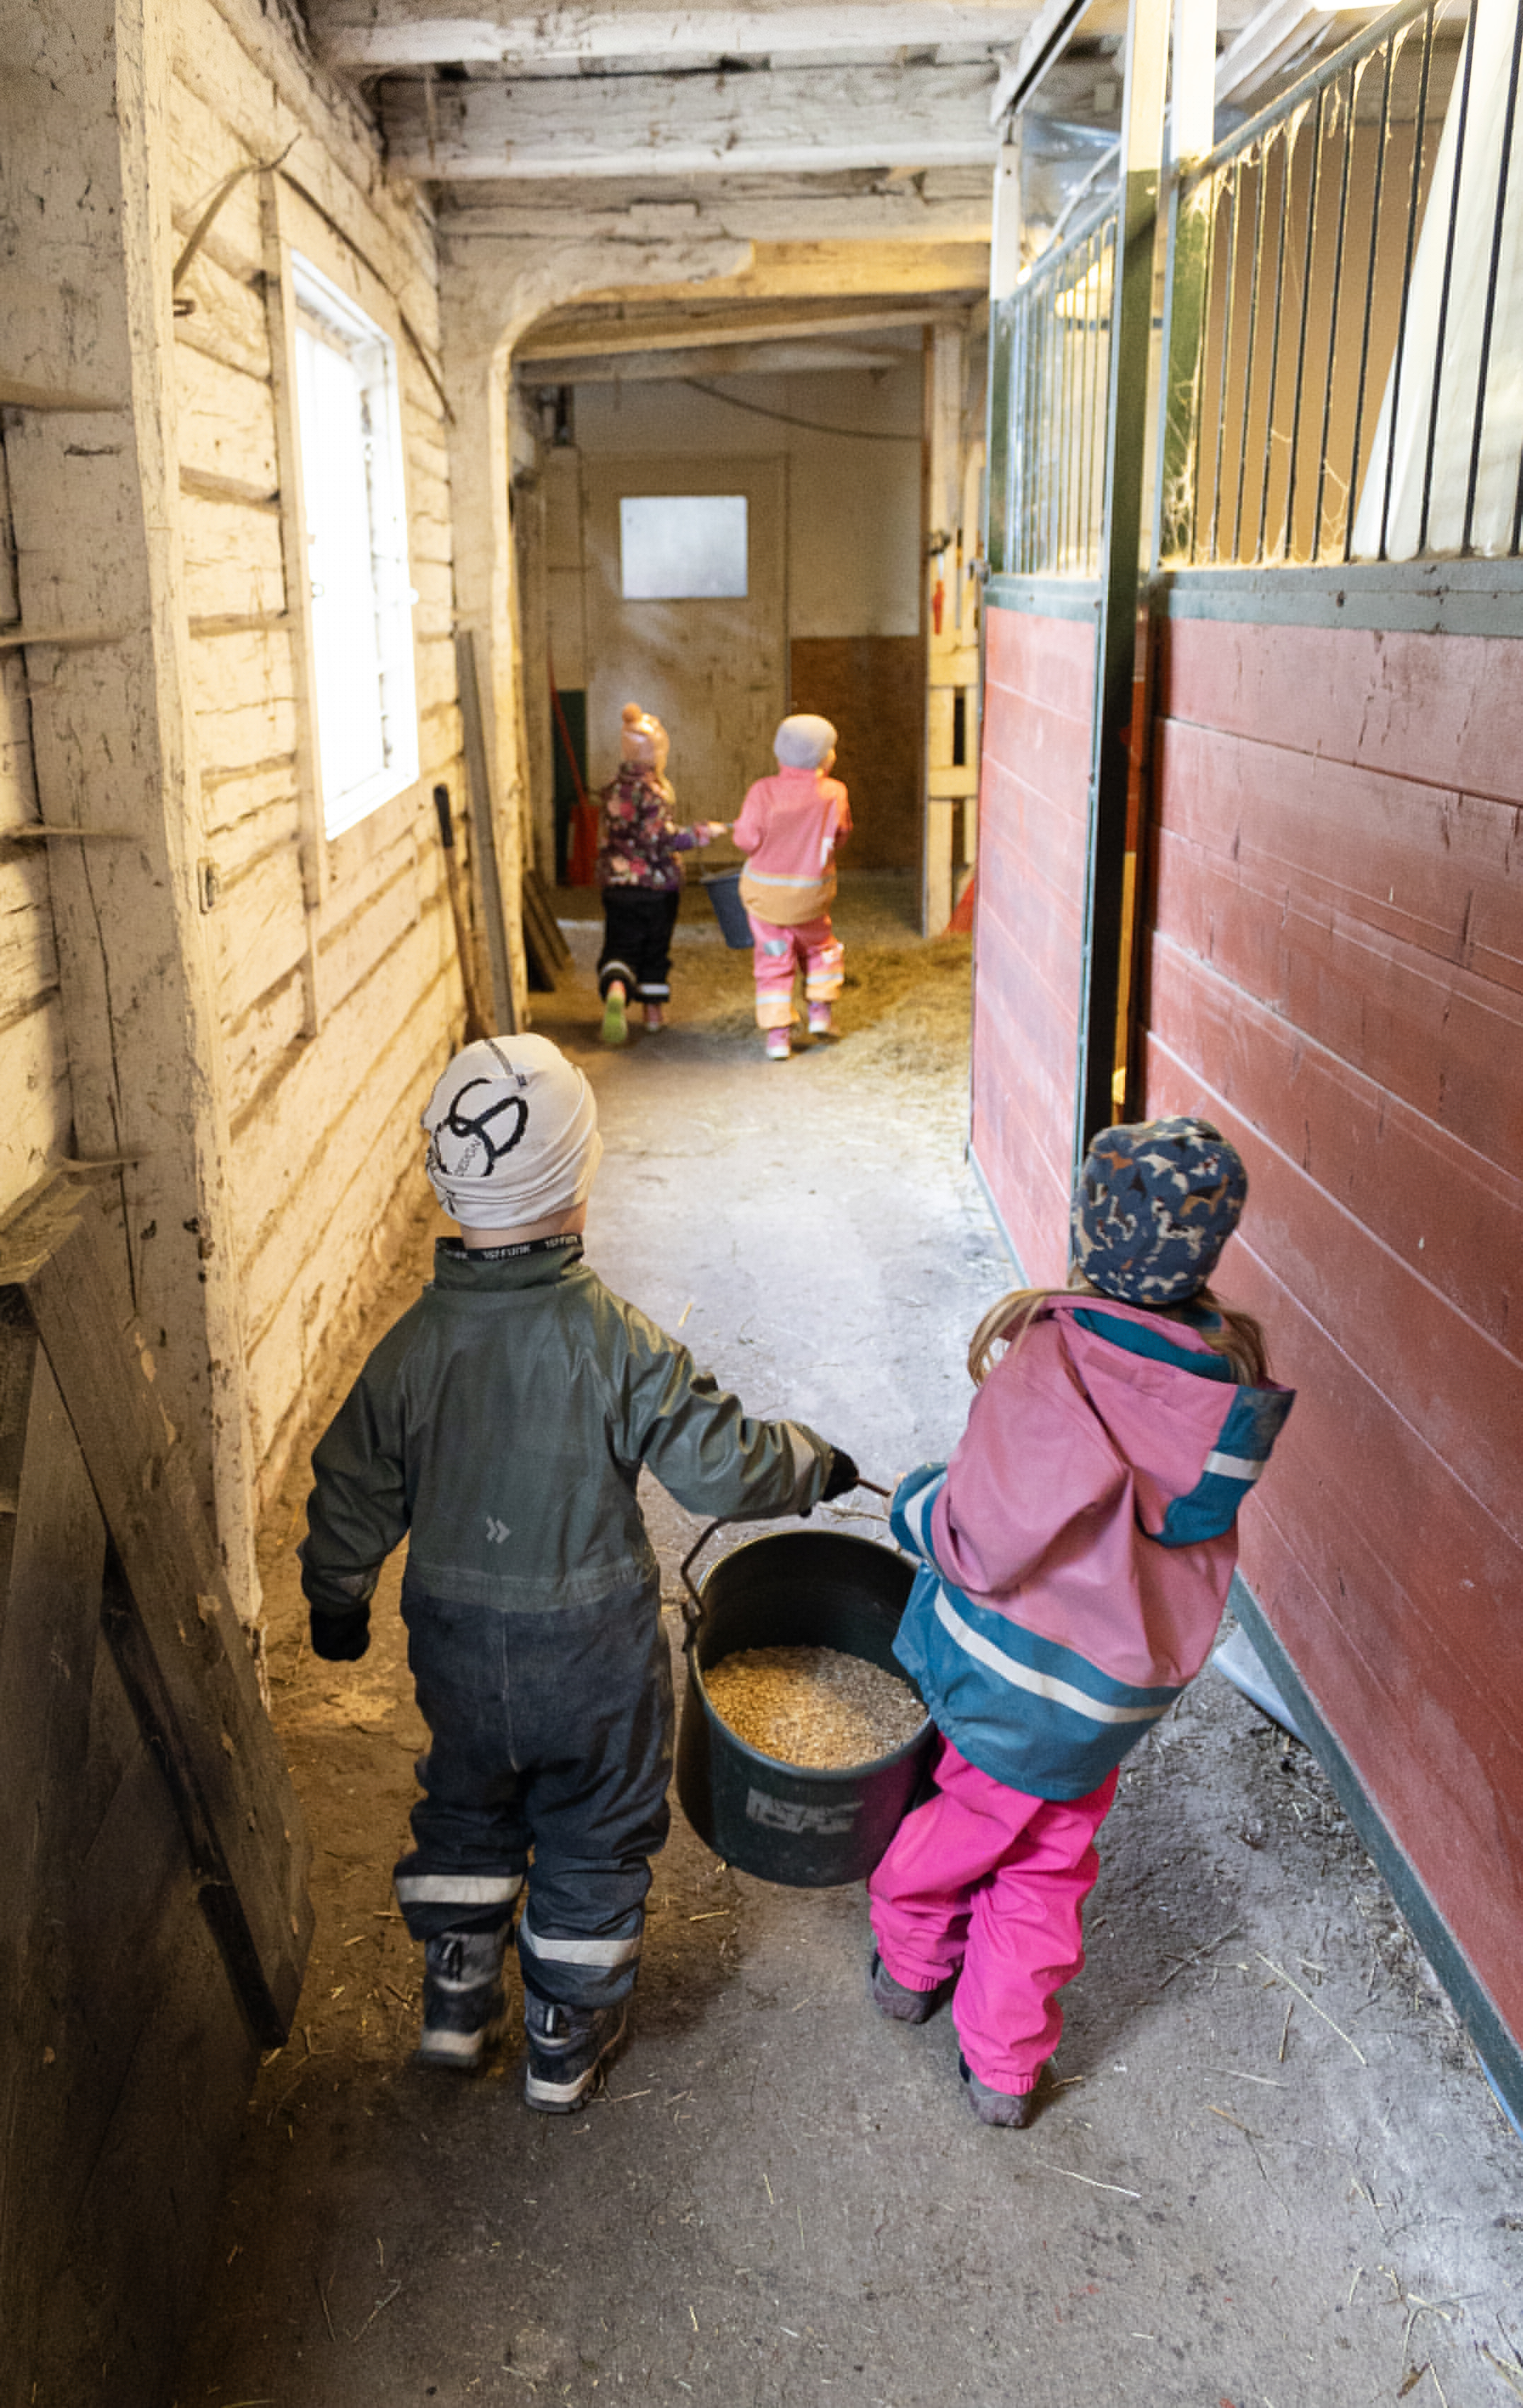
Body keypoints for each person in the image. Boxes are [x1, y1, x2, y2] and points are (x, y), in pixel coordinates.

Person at [300, 1032, 860, 2107]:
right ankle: (563, 2035)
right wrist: (810, 1465)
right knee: (596, 1824)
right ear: (578, 1182)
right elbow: (719, 1463)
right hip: (592, 1652)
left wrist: (336, 1598)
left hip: (456, 1647)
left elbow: (351, 1485)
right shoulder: (614, 1341)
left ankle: (457, 1994)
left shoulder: (409, 1349)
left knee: (465, 1798)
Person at [867, 1118, 1295, 2127]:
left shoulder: (1055, 1364)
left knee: (957, 1827)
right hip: (1104, 1702)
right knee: (1046, 1866)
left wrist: (914, 1505)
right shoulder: (1214, 1388)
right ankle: (1004, 2070)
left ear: (1086, 1233)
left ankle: (908, 1968)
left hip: (1006, 1682)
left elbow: (980, 1538)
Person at [596, 702, 724, 1044]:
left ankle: (619, 988)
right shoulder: (654, 793)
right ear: (655, 753)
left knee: (620, 945)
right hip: (656, 887)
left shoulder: (611, 788)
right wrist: (699, 834)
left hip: (616, 883)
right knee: (654, 949)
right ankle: (653, 1014)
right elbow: (659, 840)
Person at [732, 714, 852, 1061]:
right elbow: (841, 836)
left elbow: (746, 840)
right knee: (822, 948)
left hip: (765, 898)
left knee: (773, 960)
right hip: (811, 897)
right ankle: (820, 1014)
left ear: (779, 752)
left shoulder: (762, 791)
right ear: (826, 757)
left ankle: (778, 1038)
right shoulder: (835, 792)